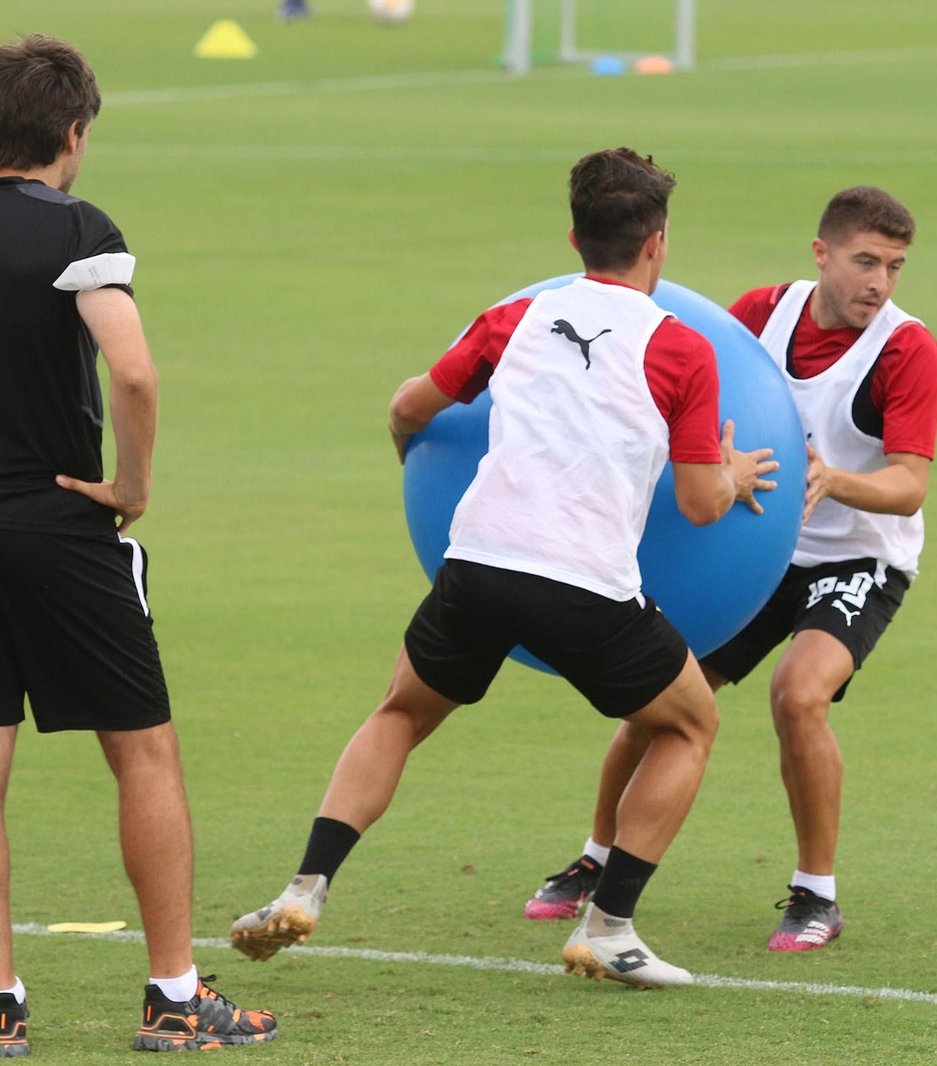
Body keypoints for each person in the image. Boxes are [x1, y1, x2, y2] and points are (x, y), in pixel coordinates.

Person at [228, 148, 778, 989]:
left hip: (477, 559)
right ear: (657, 245)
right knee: (688, 725)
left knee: (401, 714)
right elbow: (703, 504)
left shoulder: (515, 319)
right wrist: (737, 474)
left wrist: (413, 458)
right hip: (586, 584)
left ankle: (306, 885)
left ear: (574, 238)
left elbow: (407, 409)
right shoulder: (683, 350)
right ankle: (609, 927)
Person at [0, 35, 275, 1056]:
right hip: (61, 530)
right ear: (73, 132)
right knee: (143, 753)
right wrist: (130, 484)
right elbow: (130, 373)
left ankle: (0, 1002)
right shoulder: (78, 229)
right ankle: (174, 996)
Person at [522, 186, 937, 953]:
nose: (879, 283)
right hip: (755, 550)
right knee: (661, 697)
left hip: (857, 557)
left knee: (799, 694)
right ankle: (598, 855)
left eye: (894, 266)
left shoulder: (907, 349)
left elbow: (910, 483)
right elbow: (696, 397)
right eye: (864, 261)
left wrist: (833, 480)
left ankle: (816, 895)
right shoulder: (759, 314)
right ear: (821, 254)